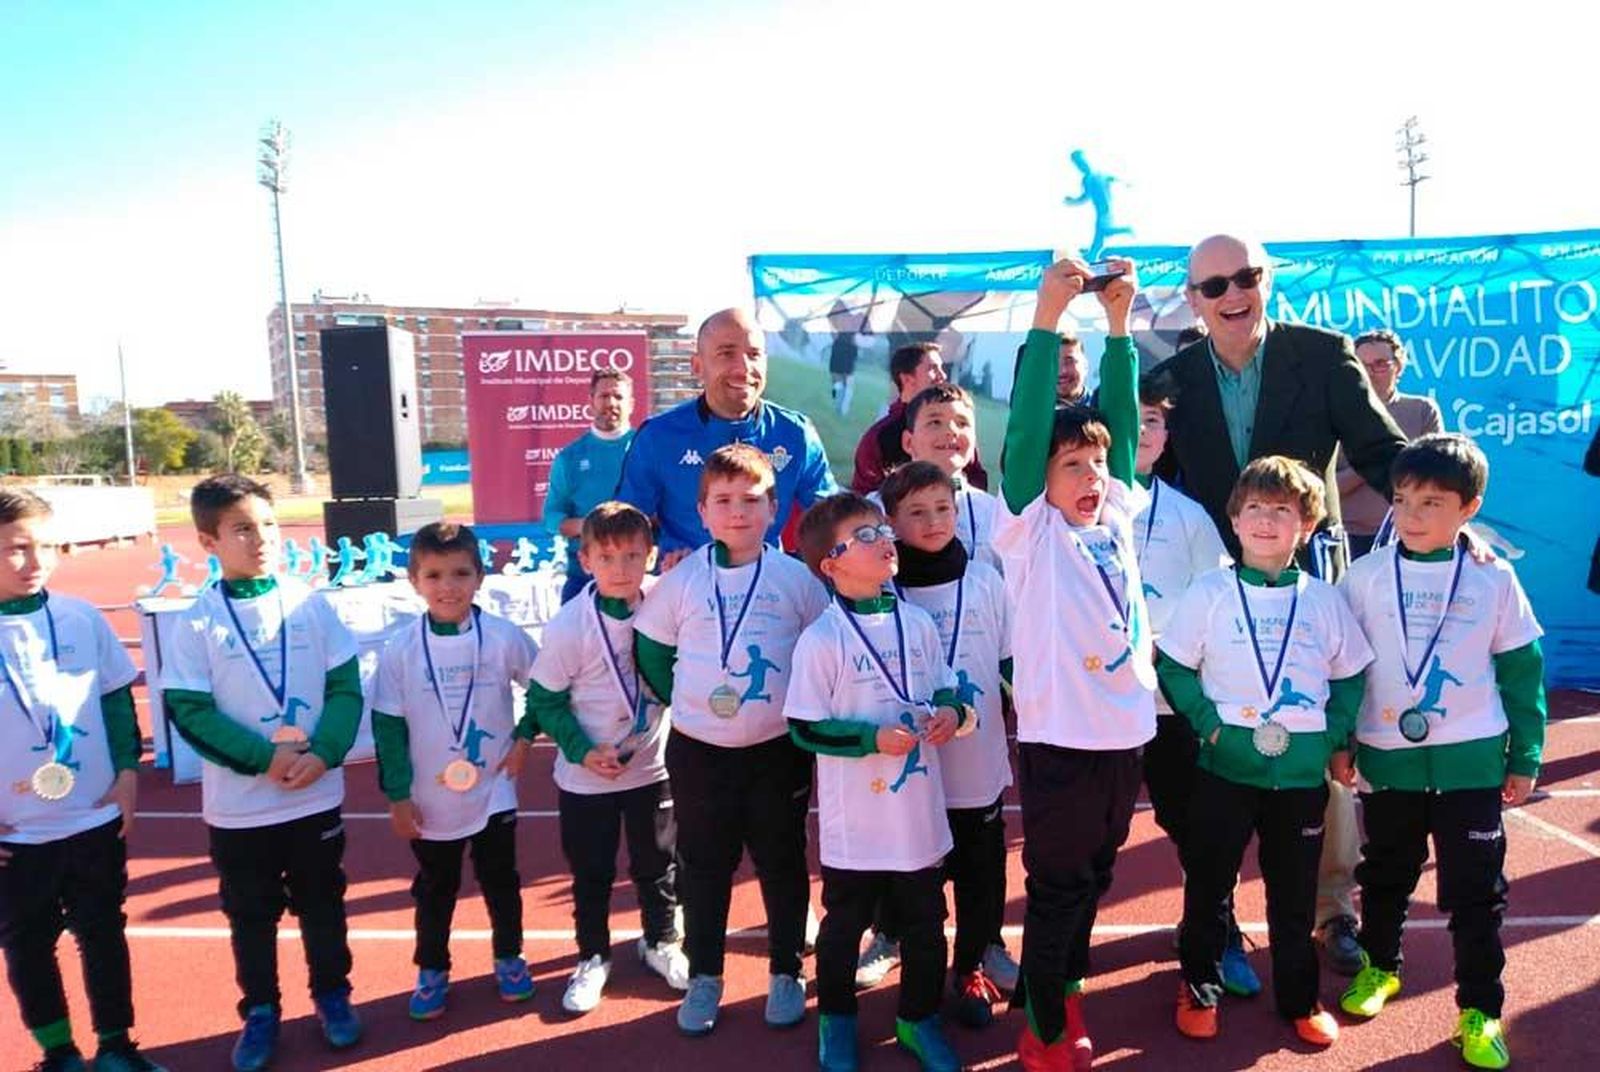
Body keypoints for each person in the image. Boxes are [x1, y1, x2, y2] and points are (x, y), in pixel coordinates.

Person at [1149, 233, 1407, 975]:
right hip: (1217, 593)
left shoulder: (1323, 355)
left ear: (1268, 279)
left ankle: (1333, 911)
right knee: (1210, 763)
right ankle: (1217, 915)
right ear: (1193, 301)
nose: (1233, 295)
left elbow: (1384, 452)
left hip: (1307, 582)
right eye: (1214, 286)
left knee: (1323, 749)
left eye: (1246, 277)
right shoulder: (1172, 378)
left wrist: (1449, 521)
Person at [1338, 434, 1546, 1071]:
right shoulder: (1364, 577)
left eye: (1432, 502)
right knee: (1385, 873)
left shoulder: (1493, 576)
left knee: (1476, 891)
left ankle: (1479, 1010)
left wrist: (1525, 755)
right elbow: (1343, 671)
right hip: (1388, 757)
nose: (1412, 515)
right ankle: (1379, 967)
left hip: (1470, 762)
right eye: (1402, 499)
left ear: (1469, 508)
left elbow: (1521, 669)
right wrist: (1343, 741)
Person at [995, 255, 1153, 1072]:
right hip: (1061, 738)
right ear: (1041, 482)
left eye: (1095, 465)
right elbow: (1027, 433)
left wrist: (1120, 327)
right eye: (1071, 468)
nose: (1091, 477)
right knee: (1058, 885)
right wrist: (1047, 318)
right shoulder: (1033, 533)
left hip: (1125, 733)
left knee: (1095, 875)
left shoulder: (1115, 513)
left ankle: (1062, 986)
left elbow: (1117, 424)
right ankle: (1043, 1023)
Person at [1157, 456, 1372, 1048]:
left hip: (1299, 774)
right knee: (1208, 885)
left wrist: (1330, 734)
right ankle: (1199, 987)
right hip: (1224, 768)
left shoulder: (1323, 599)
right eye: (1255, 508)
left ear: (1307, 525)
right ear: (1234, 520)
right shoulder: (1210, 592)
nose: (1267, 521)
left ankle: (1300, 999)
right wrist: (1210, 727)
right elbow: (1173, 666)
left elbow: (1351, 675)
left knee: (1294, 892)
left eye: (1283, 510)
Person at [161, 475, 365, 1072]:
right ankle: (260, 1011)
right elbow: (189, 711)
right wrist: (263, 758)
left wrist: (324, 752)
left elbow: (345, 688)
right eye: (243, 529)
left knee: (323, 904)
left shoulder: (310, 604)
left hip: (314, 795)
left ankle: (333, 995)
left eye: (269, 525)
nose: (262, 539)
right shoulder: (196, 622)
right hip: (241, 808)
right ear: (209, 542)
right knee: (251, 915)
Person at [633, 444, 830, 1036]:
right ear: (702, 511)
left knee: (782, 860)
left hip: (776, 750)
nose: (737, 511)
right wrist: (685, 699)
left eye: (751, 499)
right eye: (722, 500)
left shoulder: (795, 580)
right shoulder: (682, 580)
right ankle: (705, 976)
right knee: (704, 866)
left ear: (774, 507)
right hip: (699, 751)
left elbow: (823, 647)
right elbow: (651, 648)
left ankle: (786, 969)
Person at [788, 491, 967, 1072]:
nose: (884, 540)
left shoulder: (916, 623)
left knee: (926, 924)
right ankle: (837, 1020)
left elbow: (944, 686)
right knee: (844, 928)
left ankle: (918, 1017)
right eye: (865, 536)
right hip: (857, 826)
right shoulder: (822, 640)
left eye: (883, 530)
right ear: (830, 565)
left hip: (917, 816)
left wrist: (951, 713)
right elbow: (804, 727)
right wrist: (870, 740)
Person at [0, 490, 164, 1072]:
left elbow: (116, 698)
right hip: (17, 834)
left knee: (102, 933)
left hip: (93, 815)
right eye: (18, 548)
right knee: (27, 941)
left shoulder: (80, 616)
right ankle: (59, 1052)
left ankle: (117, 1046)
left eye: (47, 547)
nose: (35, 561)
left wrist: (127, 774)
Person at [370, 522, 538, 1021]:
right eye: (434, 575)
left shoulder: (503, 637)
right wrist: (398, 795)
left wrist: (524, 738)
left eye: (461, 573)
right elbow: (387, 727)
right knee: (435, 888)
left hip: (493, 789)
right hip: (430, 797)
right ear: (414, 580)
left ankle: (509, 957)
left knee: (501, 879)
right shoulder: (401, 648)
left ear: (480, 577)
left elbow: (547, 688)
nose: (448, 586)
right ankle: (432, 968)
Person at [523, 502, 687, 1014]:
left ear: (650, 556)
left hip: (651, 767)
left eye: (633, 556)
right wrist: (581, 751)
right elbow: (544, 700)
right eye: (607, 557)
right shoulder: (569, 626)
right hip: (586, 777)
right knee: (592, 871)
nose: (621, 569)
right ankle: (592, 955)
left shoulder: (663, 601)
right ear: (585, 560)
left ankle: (660, 941)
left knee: (657, 863)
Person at [1130, 373, 1258, 995]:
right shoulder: (1072, 506)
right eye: (1131, 416)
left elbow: (1220, 597)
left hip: (1170, 702)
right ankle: (1063, 961)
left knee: (1194, 824)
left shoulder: (1186, 515)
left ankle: (1217, 931)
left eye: (1154, 420)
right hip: (1095, 707)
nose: (1142, 429)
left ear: (1167, 435)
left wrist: (1177, 649)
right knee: (1088, 839)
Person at [883, 462, 1017, 1027]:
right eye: (916, 512)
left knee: (981, 869)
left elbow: (1010, 661)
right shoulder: (884, 589)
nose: (933, 521)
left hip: (976, 759)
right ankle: (904, 950)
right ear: (891, 522)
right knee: (912, 871)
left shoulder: (986, 579)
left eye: (942, 508)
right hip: (911, 760)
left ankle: (973, 963)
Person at [616, 308, 837, 566]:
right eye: (727, 353)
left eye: (754, 355)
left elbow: (832, 521)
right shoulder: (658, 436)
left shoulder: (796, 433)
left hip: (769, 584)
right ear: (697, 366)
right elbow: (627, 525)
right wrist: (659, 559)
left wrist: (800, 571)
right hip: (686, 584)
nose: (744, 368)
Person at [1334, 329, 1444, 559]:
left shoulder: (1422, 411)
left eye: (1380, 364)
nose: (1370, 373)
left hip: (1406, 534)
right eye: (1362, 365)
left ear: (1399, 366)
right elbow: (1326, 487)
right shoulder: (1333, 414)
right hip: (1343, 537)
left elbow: (1435, 478)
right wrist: (1374, 463)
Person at [544, 369, 640, 602]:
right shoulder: (569, 457)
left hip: (639, 575)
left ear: (631, 404)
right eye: (604, 396)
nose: (611, 403)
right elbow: (552, 518)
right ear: (591, 402)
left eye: (618, 397)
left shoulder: (647, 448)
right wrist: (592, 526)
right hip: (584, 578)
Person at [851, 343, 991, 494]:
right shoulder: (880, 436)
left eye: (941, 368)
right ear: (907, 379)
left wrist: (951, 493)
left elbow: (975, 480)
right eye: (933, 368)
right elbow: (866, 492)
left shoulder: (957, 431)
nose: (943, 376)